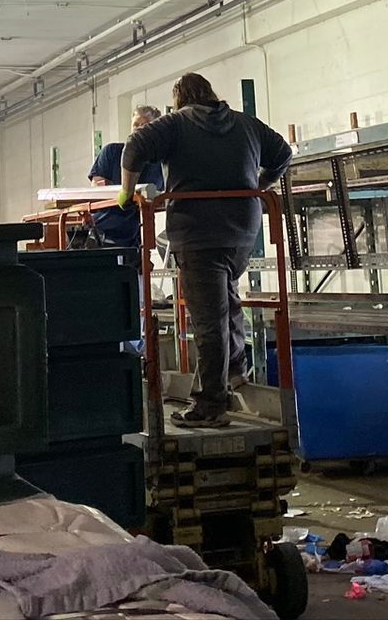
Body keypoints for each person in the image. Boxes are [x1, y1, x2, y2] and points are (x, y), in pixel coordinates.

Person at [119, 73, 291, 428]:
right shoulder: (246, 124)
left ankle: (210, 405)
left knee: (209, 320)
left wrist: (126, 192)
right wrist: (259, 185)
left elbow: (133, 147)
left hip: (198, 233)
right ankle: (234, 371)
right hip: (242, 230)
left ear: (180, 99)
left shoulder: (176, 124)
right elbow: (284, 153)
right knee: (227, 302)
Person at [84, 108, 163, 248]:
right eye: (136, 125)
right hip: (102, 230)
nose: (139, 129)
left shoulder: (160, 164)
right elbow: (97, 188)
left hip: (138, 234)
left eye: (145, 125)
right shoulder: (112, 152)